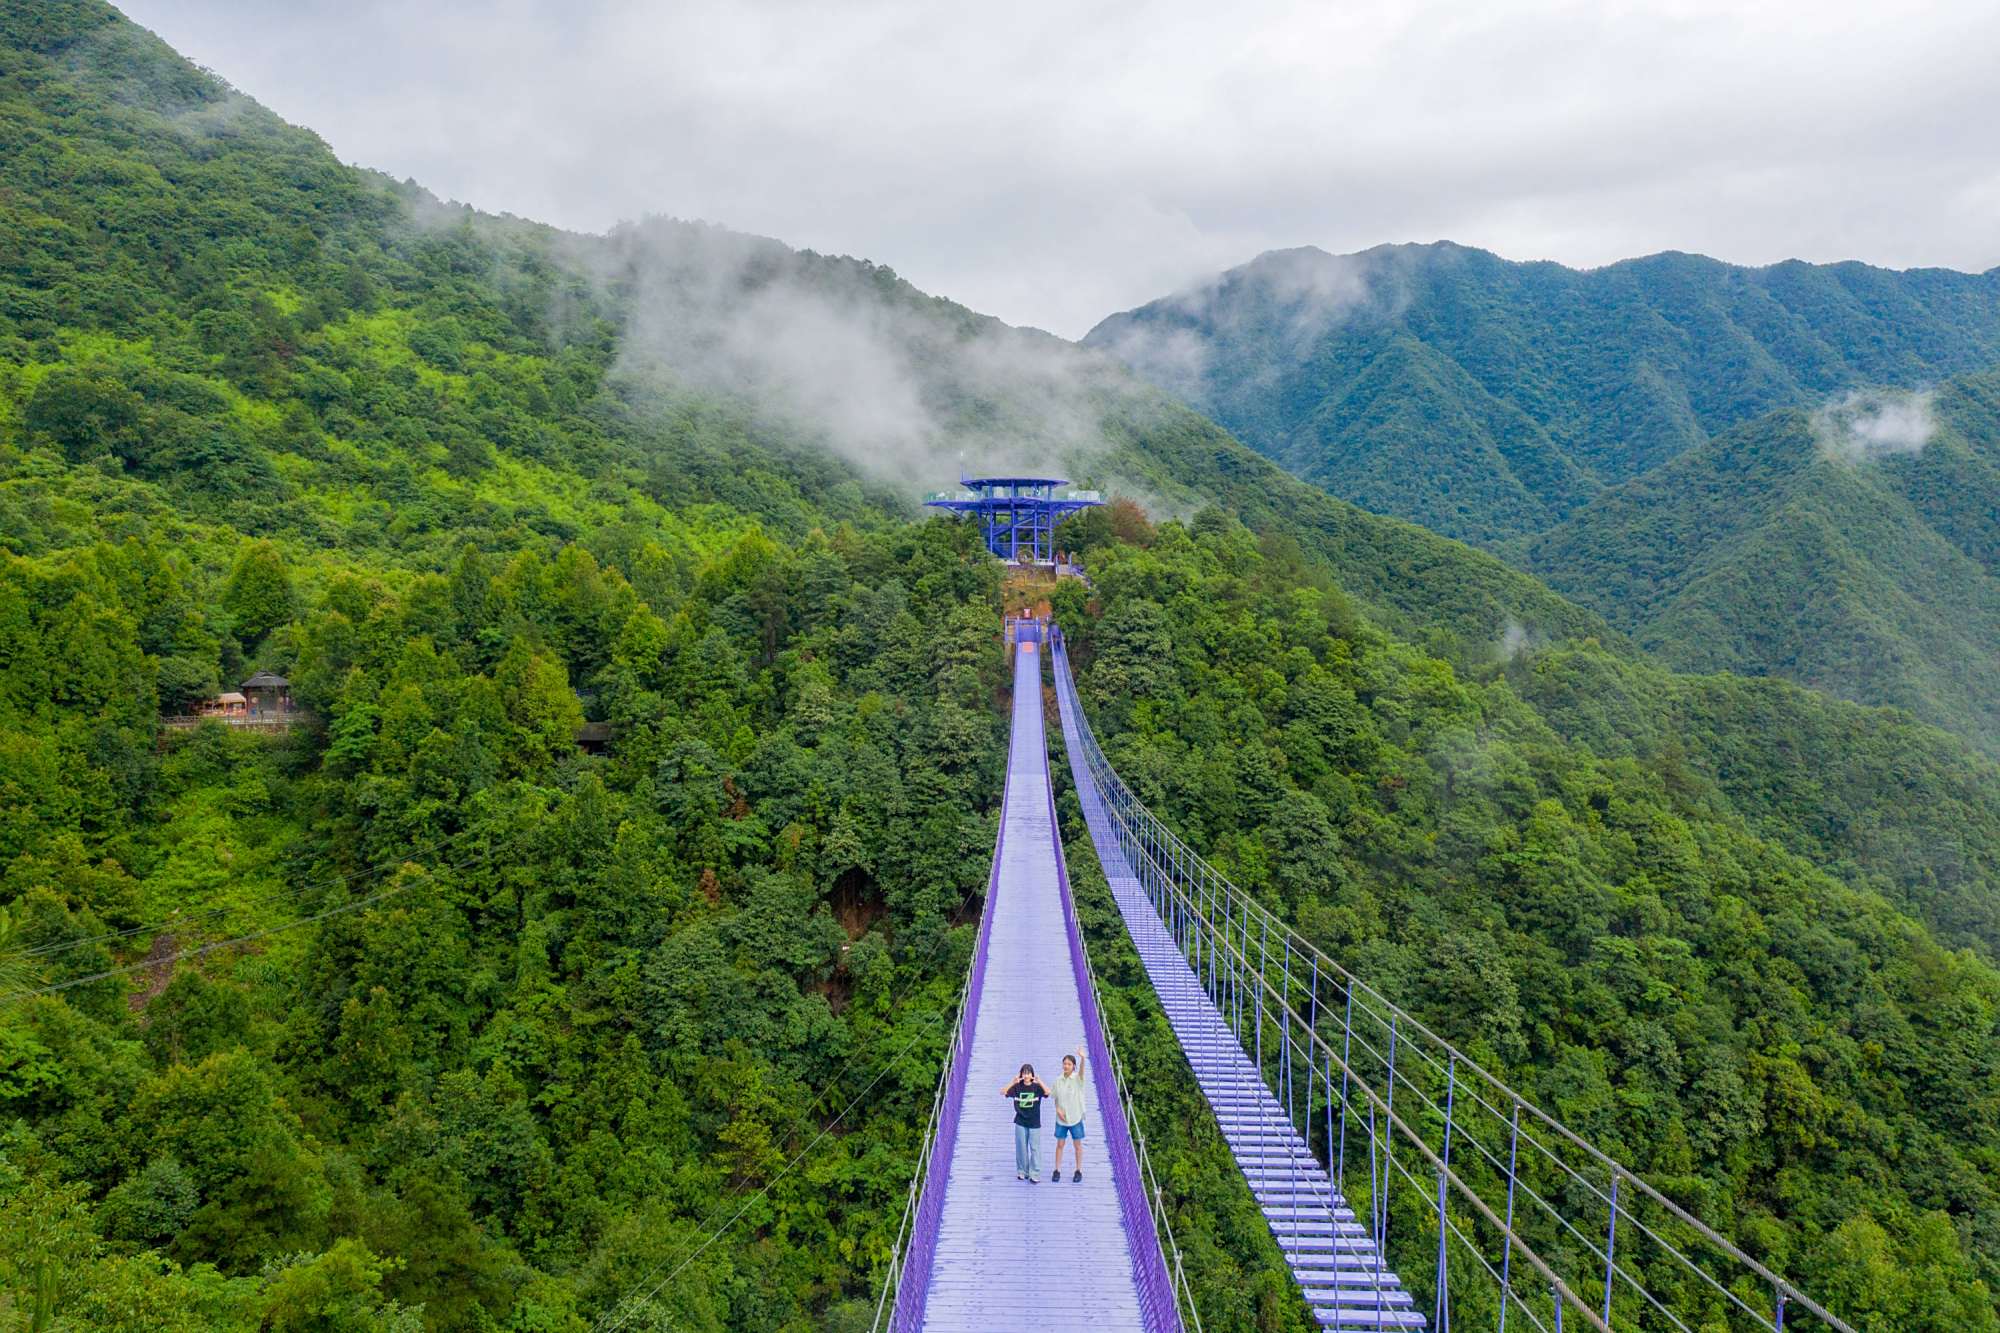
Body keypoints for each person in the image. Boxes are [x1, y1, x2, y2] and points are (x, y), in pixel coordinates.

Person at [1002, 1063, 1051, 1182]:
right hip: (1020, 1121)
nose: (1026, 1075)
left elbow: (1048, 1092)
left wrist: (1040, 1082)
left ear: (1032, 1075)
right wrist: (1013, 1082)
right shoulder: (1017, 1087)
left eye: (1028, 1073)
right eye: (1024, 1073)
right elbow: (1003, 1092)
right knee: (1021, 1148)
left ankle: (1035, 1173)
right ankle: (1022, 1171)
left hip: (1034, 1122)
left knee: (1035, 1148)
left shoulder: (1037, 1087)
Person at [1049, 1045, 1088, 1181]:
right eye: (1064, 1063)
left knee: (1077, 1145)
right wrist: (1057, 1109)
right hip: (1061, 1119)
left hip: (1075, 1118)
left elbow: (1082, 1072)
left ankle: (1078, 1171)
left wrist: (1082, 1059)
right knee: (1060, 1144)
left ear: (1073, 1066)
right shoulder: (1058, 1080)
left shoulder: (1077, 1079)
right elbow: (1055, 1097)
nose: (1066, 1066)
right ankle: (1057, 1170)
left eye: (1069, 1064)